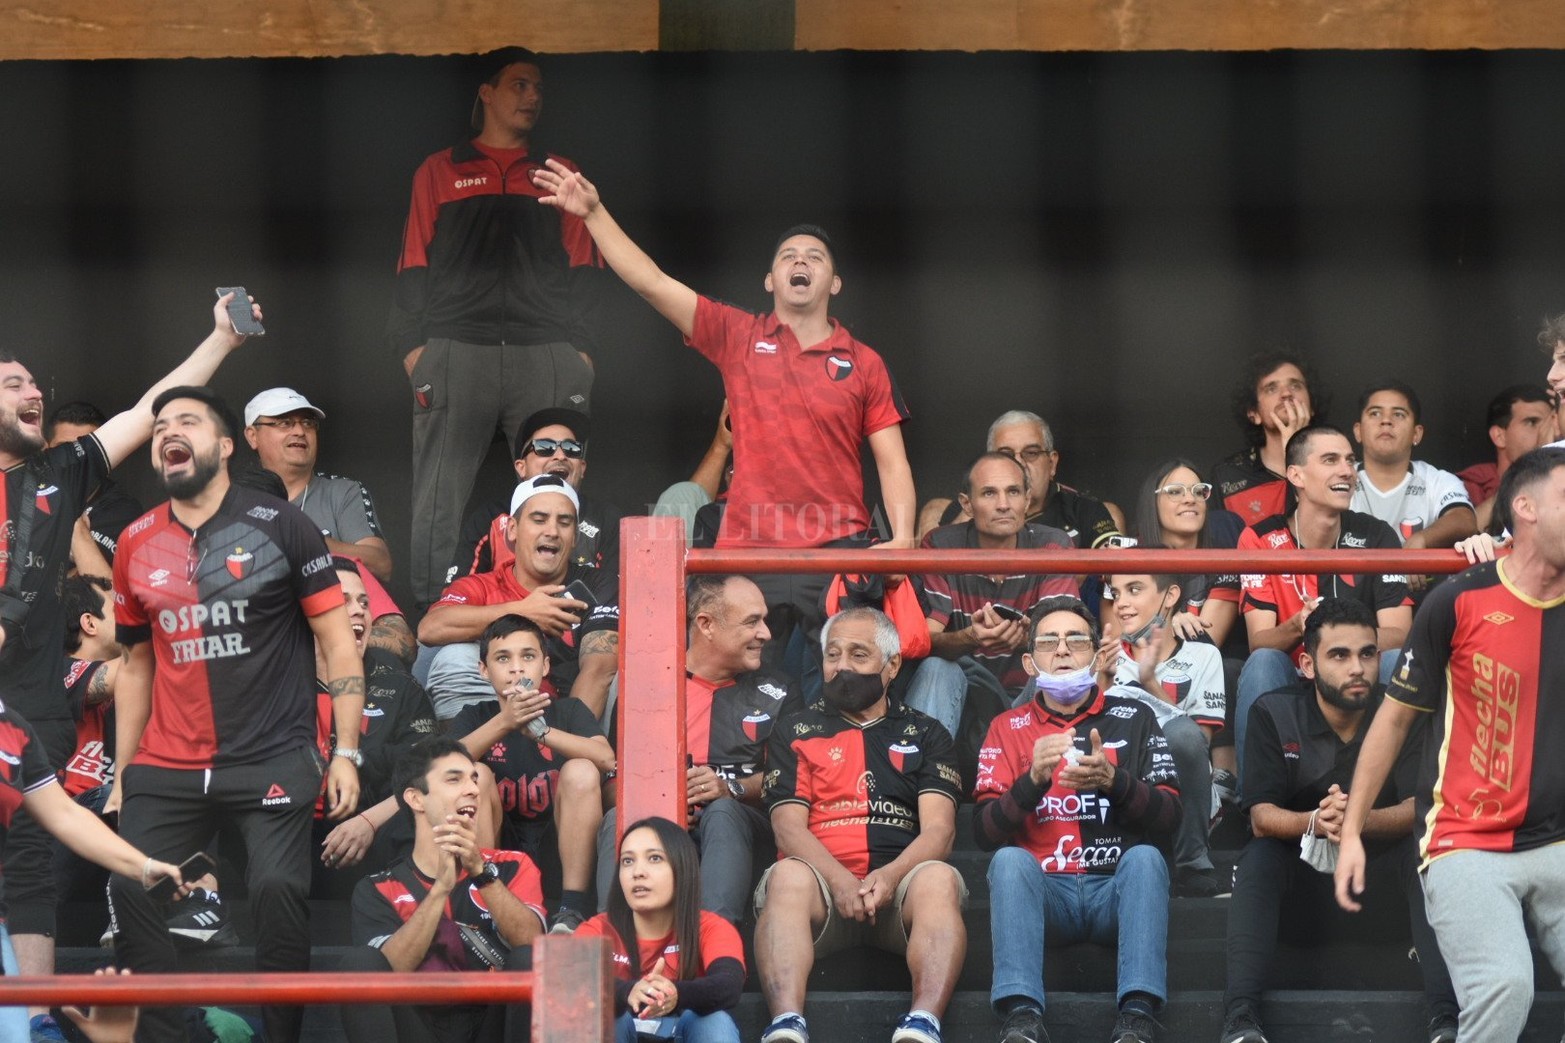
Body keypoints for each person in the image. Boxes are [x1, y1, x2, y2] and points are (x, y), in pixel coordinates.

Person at [0, 292, 258, 1030]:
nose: (33, 392)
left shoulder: (57, 474)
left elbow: (149, 408)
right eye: (13, 384)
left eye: (33, 383)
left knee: (30, 866)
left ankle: (36, 1018)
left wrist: (220, 340)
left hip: (32, 712)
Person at [532, 163, 917, 653]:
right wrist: (593, 213)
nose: (801, 261)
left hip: (837, 552)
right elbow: (652, 282)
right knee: (737, 693)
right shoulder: (739, 335)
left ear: (834, 283)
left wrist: (903, 536)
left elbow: (893, 461)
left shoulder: (865, 362)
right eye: (788, 256)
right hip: (749, 552)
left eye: (815, 257)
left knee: (841, 688)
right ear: (770, 280)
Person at [107, 385, 364, 1043]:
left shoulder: (283, 524)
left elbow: (337, 641)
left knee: (277, 888)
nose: (170, 430)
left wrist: (345, 750)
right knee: (130, 884)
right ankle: (178, 1032)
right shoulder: (135, 541)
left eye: (187, 420)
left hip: (271, 756)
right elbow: (135, 664)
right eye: (161, 423)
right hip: (166, 760)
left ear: (225, 445)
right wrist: (123, 767)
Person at [1335, 447, 1565, 1043]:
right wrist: (1354, 830)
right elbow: (1392, 722)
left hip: (1560, 839)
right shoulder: (1458, 599)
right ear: (1526, 509)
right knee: (1505, 985)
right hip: (1466, 840)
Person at [394, 47, 602, 609]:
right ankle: (434, 617)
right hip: (456, 348)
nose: (532, 97)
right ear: (486, 93)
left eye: (537, 87)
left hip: (547, 349)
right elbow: (413, 262)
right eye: (518, 85)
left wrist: (580, 351)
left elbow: (587, 265)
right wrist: (418, 351)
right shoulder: (440, 170)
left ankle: (576, 606)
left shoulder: (559, 172)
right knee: (437, 495)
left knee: (561, 484)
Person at [1221, 598, 1456, 1043]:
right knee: (1259, 859)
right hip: (1303, 896)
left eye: (1368, 654)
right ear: (1307, 664)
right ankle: (1240, 1020)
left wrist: (1354, 822)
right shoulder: (1274, 711)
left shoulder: (1402, 714)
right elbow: (1260, 816)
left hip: (1379, 889)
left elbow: (1422, 808)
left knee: (1427, 852)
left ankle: (1446, 1020)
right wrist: (1315, 820)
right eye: (1340, 655)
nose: (1358, 668)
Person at [753, 607, 966, 1043]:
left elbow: (939, 832)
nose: (842, 666)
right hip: (822, 892)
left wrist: (887, 878)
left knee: (940, 878)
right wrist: (841, 881)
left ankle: (924, 1022)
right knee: (787, 875)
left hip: (899, 889)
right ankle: (787, 1023)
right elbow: (788, 829)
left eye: (858, 654)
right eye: (833, 655)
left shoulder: (927, 733)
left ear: (891, 666)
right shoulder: (795, 728)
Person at [975, 596, 1181, 1043]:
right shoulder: (1005, 726)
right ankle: (1022, 1016)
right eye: (1049, 642)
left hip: (1115, 890)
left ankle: (1138, 1014)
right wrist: (1031, 780)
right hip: (1046, 896)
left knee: (1147, 857)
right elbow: (984, 833)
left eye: (1076, 641)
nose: (1063, 650)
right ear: (1029, 663)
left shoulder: (1136, 716)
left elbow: (1171, 819)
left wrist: (1113, 781)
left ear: (1096, 655)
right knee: (1008, 863)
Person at [595, 575, 801, 927]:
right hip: (664, 824)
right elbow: (613, 785)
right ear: (705, 624)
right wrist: (661, 803)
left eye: (764, 620)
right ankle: (616, 944)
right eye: (752, 621)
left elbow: (794, 783)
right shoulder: (647, 687)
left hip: (747, 826)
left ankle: (715, 946)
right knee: (620, 819)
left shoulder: (781, 690)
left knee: (722, 812)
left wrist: (730, 788)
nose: (766, 633)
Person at [1231, 425, 1413, 781]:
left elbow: (1401, 633)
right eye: (1330, 460)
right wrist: (1298, 625)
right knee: (1263, 661)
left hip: (1355, 679)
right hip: (1295, 684)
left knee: (1395, 660)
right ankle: (1253, 800)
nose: (1346, 470)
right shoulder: (1260, 537)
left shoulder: (1377, 535)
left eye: (1349, 460)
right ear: (1295, 475)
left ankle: (1408, 789)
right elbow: (1259, 642)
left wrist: (1345, 640)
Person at [341, 737, 547, 1043]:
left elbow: (536, 949)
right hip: (417, 1026)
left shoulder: (513, 866)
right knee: (359, 964)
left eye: (475, 780)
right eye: (455, 779)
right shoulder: (376, 888)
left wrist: (479, 872)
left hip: (494, 1024)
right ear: (415, 799)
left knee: (528, 958)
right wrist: (440, 890)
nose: (474, 790)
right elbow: (386, 972)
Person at [452, 614, 613, 933]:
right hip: (502, 850)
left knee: (581, 769)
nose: (516, 668)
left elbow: (606, 758)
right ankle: (483, 903)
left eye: (528, 656)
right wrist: (506, 722)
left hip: (561, 848)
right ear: (484, 670)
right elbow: (438, 767)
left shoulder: (568, 711)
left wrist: (541, 732)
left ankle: (572, 909)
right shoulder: (475, 716)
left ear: (545, 666)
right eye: (502, 658)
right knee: (475, 774)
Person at [418, 474, 620, 720]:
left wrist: (567, 744)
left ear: (575, 537)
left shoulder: (598, 583)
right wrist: (523, 611)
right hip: (494, 724)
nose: (553, 531)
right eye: (539, 520)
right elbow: (430, 629)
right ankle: (468, 755)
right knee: (454, 656)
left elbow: (600, 669)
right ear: (513, 530)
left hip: (569, 727)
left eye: (564, 523)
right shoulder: (482, 585)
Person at [906, 451, 1076, 740]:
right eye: (989, 493)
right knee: (936, 669)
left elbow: (1064, 640)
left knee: (1059, 672)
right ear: (966, 504)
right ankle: (923, 780)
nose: (1003, 505)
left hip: (1027, 698)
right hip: (964, 698)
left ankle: (1060, 785)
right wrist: (969, 638)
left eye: (1013, 492)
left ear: (1027, 499)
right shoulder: (941, 544)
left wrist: (1024, 638)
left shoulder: (1053, 545)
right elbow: (926, 640)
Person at [315, 558, 439, 885]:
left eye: (364, 602)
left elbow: (425, 774)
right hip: (294, 834)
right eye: (343, 601)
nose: (359, 611)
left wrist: (367, 822)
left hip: (379, 835)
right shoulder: (276, 682)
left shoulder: (400, 687)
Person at [1106, 569, 1224, 896]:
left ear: (1170, 597)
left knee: (1183, 737)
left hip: (1180, 795)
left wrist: (1149, 683)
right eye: (1116, 594)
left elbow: (1197, 743)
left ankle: (1192, 862)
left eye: (1134, 589)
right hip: (1120, 789)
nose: (1121, 604)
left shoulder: (1204, 655)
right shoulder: (1105, 655)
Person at [576, 817, 745, 1043]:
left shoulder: (710, 926)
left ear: (681, 868)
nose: (638, 872)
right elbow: (567, 982)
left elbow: (728, 983)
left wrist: (676, 995)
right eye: (627, 861)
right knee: (601, 1016)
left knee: (715, 1022)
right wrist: (627, 992)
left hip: (685, 1031)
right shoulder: (597, 929)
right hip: (619, 1032)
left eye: (654, 858)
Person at [448, 406, 620, 598]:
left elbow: (617, 600)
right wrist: (525, 612)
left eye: (571, 449)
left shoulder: (606, 518)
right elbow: (454, 603)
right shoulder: (488, 518)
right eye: (545, 447)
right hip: (505, 625)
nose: (560, 456)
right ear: (521, 467)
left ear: (582, 468)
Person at [242, 387, 393, 582]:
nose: (299, 431)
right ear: (252, 436)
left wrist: (305, 540)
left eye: (308, 423)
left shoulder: (342, 492)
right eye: (284, 423)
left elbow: (380, 564)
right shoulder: (232, 499)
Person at [920, 411, 1122, 550]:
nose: (1017, 464)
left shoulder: (1083, 509)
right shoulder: (967, 507)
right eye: (1006, 454)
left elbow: (1117, 562)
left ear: (1051, 464)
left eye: (1031, 453)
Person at [1130, 458, 1245, 652]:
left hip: (1207, 672)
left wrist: (1163, 627)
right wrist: (1169, 624)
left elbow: (1204, 647)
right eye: (1175, 491)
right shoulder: (1130, 558)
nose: (1190, 499)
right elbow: (1119, 645)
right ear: (1152, 502)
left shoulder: (1224, 551)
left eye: (1199, 491)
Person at [1349, 380, 1475, 550]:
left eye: (1399, 414)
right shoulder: (1340, 476)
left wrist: (1422, 538)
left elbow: (1464, 520)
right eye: (1375, 413)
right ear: (1358, 431)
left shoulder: (1437, 480)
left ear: (1416, 434)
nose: (1386, 421)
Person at [1212, 353, 1324, 526]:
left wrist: (1295, 449)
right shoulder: (1227, 475)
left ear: (1312, 407)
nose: (1286, 393)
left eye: (1295, 385)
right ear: (1253, 413)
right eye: (1271, 388)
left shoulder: (1337, 466)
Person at [45, 401, 143, 570]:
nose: (74, 461)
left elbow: (95, 580)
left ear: (106, 458)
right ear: (46, 450)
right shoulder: (26, 491)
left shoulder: (123, 509)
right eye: (63, 449)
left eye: (84, 452)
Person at [1456, 384, 1554, 509]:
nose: (1547, 430)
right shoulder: (1468, 486)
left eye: (1551, 422)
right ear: (1499, 436)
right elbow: (1471, 526)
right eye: (1532, 422)